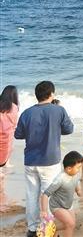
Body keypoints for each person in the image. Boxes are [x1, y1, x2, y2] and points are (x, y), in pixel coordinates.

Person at [15, 80, 74, 237]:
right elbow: (69, 129)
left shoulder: (27, 113)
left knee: (31, 195)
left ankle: (32, 229)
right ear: (51, 94)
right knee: (47, 195)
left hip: (30, 160)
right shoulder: (58, 110)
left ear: (37, 95)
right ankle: (46, 229)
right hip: (50, 161)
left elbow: (18, 134)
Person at [39, 151, 83, 237]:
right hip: (57, 206)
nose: (79, 170)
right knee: (70, 224)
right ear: (69, 168)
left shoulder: (74, 174)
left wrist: (79, 191)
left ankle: (50, 228)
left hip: (68, 205)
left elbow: (75, 184)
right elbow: (45, 194)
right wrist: (44, 210)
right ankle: (50, 228)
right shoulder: (60, 179)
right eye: (78, 168)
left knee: (71, 224)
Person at [0, 85, 19, 213]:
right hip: (6, 144)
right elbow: (15, 125)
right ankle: (1, 200)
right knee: (2, 171)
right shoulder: (14, 108)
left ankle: (2, 199)